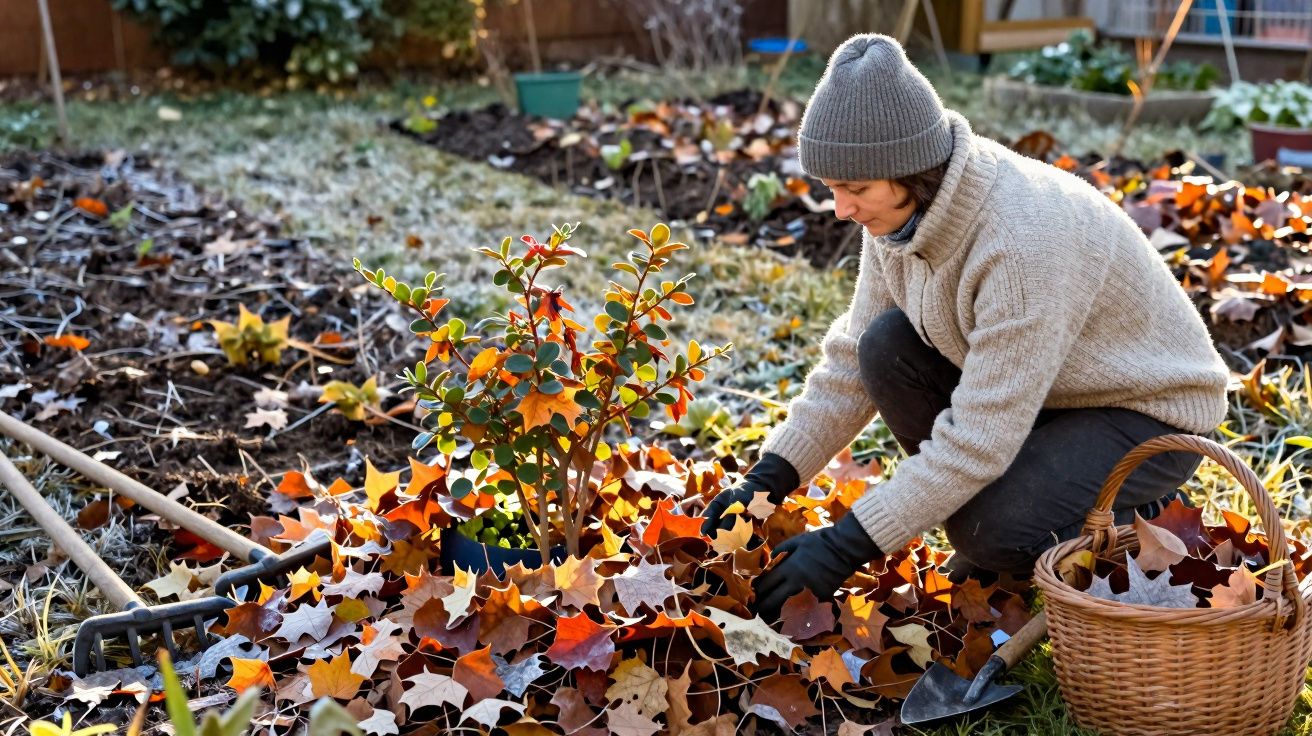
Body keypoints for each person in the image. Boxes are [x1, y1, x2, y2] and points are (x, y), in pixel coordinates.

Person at [698, 33, 1230, 623]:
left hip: (1142, 412)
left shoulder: (1020, 242)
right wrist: (769, 479)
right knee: (884, 347)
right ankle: (1024, 509)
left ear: (910, 170)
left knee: (987, 533)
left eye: (854, 190)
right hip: (1047, 396)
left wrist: (844, 547)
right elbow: (850, 360)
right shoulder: (902, 219)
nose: (840, 210)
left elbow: (979, 439)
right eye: (832, 190)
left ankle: (1143, 511)